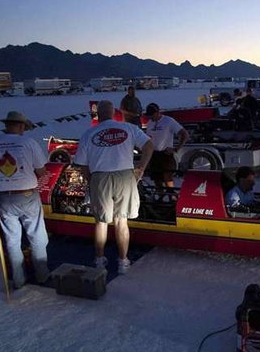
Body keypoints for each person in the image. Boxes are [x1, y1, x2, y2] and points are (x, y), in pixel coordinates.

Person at [73, 100, 154, 274]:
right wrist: (141, 168)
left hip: (100, 176)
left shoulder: (89, 133)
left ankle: (100, 260)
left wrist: (91, 181)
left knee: (101, 222)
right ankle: (123, 262)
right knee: (121, 221)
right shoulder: (129, 128)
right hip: (125, 176)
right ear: (113, 113)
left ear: (98, 114)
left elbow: (82, 164)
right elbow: (149, 145)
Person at [0, 111, 49, 288]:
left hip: (3, 197)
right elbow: (42, 173)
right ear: (22, 126)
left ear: (7, 125)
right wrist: (37, 191)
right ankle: (42, 276)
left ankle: (18, 280)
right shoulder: (29, 143)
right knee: (37, 236)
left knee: (12, 240)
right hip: (27, 195)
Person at [144, 103, 188, 193]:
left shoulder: (168, 121)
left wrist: (176, 148)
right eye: (149, 116)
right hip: (154, 154)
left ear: (157, 112)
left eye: (152, 115)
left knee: (168, 179)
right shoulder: (150, 123)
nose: (151, 117)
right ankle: (160, 199)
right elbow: (148, 137)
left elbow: (184, 134)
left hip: (166, 154)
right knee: (156, 180)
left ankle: (173, 198)